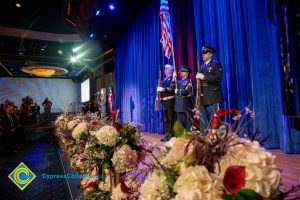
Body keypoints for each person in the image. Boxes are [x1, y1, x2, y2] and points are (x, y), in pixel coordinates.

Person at [196, 46, 224, 131]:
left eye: (205, 53)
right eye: (203, 53)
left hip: (212, 96)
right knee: (203, 121)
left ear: (211, 54)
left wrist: (204, 77)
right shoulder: (201, 67)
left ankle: (215, 140)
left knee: (214, 119)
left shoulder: (215, 64)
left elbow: (218, 78)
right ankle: (205, 140)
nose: (203, 55)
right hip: (203, 96)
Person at [171, 65, 194, 131]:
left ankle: (187, 136)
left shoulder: (189, 81)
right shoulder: (178, 81)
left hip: (185, 103)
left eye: (183, 71)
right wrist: (173, 79)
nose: (181, 73)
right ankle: (181, 138)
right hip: (178, 104)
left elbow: (187, 91)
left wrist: (178, 91)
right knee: (179, 122)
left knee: (187, 121)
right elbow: (172, 88)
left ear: (187, 72)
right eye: (180, 71)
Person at [157, 64, 175, 141]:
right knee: (166, 120)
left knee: (171, 119)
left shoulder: (172, 79)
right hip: (164, 101)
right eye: (165, 69)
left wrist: (162, 89)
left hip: (170, 101)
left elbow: (171, 89)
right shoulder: (164, 79)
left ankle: (171, 136)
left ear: (171, 70)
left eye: (167, 69)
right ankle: (167, 135)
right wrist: (158, 95)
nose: (165, 70)